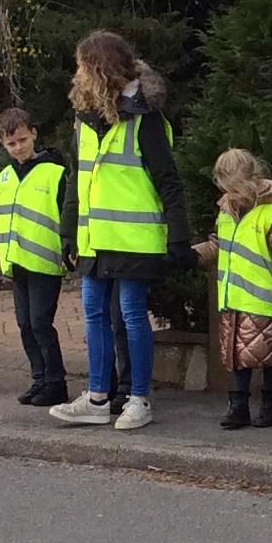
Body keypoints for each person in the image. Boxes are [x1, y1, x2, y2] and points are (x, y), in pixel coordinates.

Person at [48, 31, 193, 432]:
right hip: (95, 238)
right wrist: (68, 232)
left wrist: (178, 235)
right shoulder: (84, 122)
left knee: (130, 315)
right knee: (94, 314)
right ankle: (97, 398)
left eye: (82, 67)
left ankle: (138, 399)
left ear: (100, 71)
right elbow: (77, 180)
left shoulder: (146, 120)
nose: (77, 75)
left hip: (134, 239)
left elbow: (168, 181)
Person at [196, 149, 272, 429]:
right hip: (233, 296)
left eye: (232, 187)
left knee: (270, 356)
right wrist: (194, 254)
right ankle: (238, 405)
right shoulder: (227, 210)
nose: (228, 193)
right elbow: (218, 243)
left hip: (264, 297)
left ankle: (269, 404)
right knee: (237, 356)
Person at [0, 105, 72, 407]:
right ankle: (40, 379)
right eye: (11, 143)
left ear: (34, 134)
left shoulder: (55, 172)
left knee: (40, 323)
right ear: (3, 144)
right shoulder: (4, 178)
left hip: (44, 261)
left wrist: (69, 247)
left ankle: (56, 382)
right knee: (25, 324)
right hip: (16, 261)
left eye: (23, 140)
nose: (19, 147)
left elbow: (66, 213)